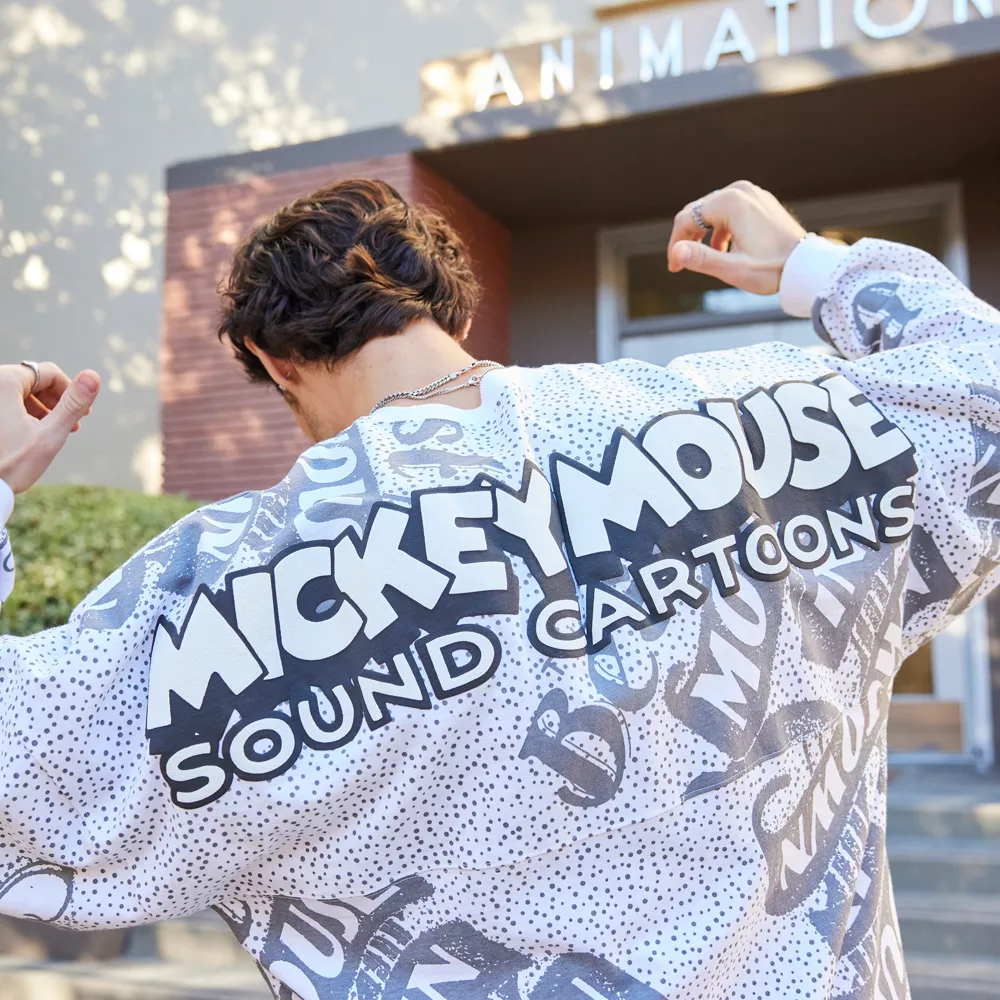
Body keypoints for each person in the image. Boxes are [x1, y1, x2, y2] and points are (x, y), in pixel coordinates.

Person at [1, 178, 997, 1000]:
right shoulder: (752, 428)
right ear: (453, 311)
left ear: (274, 358)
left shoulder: (235, 588)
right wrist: (810, 264)